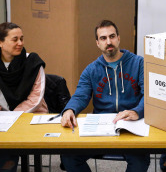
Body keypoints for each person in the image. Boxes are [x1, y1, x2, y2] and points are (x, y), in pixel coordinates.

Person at [60, 20, 150, 172]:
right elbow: (80, 95)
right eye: (103, 38)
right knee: (69, 157)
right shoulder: (91, 70)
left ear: (118, 38)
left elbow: (149, 95)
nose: (109, 41)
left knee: (140, 162)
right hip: (101, 127)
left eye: (112, 36)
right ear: (97, 43)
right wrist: (70, 109)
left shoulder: (139, 63)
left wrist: (137, 111)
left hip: (131, 126)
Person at [0, 22, 47, 172]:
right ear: (1, 42)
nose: (20, 43)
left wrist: (12, 117)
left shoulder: (33, 62)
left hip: (31, 116)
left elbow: (36, 99)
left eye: (22, 39)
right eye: (15, 39)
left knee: (7, 154)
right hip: (2, 119)